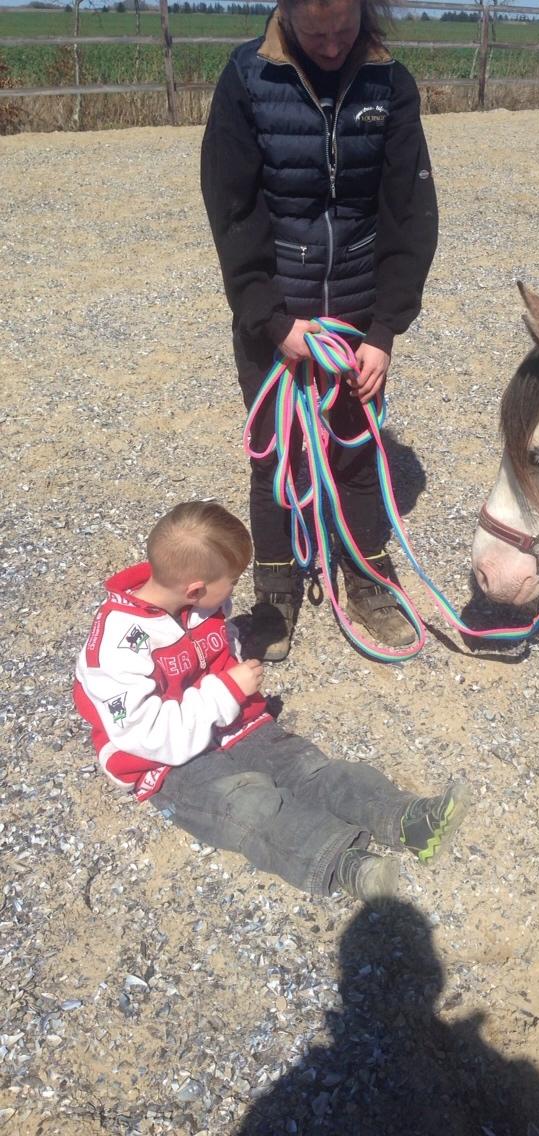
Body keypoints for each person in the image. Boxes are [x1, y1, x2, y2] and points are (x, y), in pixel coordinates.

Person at [73, 501, 470, 903]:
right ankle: (343, 863)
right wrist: (226, 691)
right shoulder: (116, 648)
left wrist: (233, 668)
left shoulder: (196, 603)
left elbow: (213, 647)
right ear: (195, 588)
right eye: (232, 581)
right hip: (167, 762)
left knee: (307, 768)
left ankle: (405, 818)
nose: (234, 590)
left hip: (234, 727)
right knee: (248, 804)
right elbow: (150, 735)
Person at [201, 0, 439, 661]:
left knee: (358, 447)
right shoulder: (248, 79)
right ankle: (276, 582)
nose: (333, 46)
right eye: (317, 32)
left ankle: (364, 572)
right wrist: (273, 321)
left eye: (345, 29)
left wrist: (384, 329)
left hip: (356, 315)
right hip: (275, 311)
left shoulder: (390, 83)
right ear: (286, 15)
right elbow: (233, 209)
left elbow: (408, 212)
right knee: (275, 452)